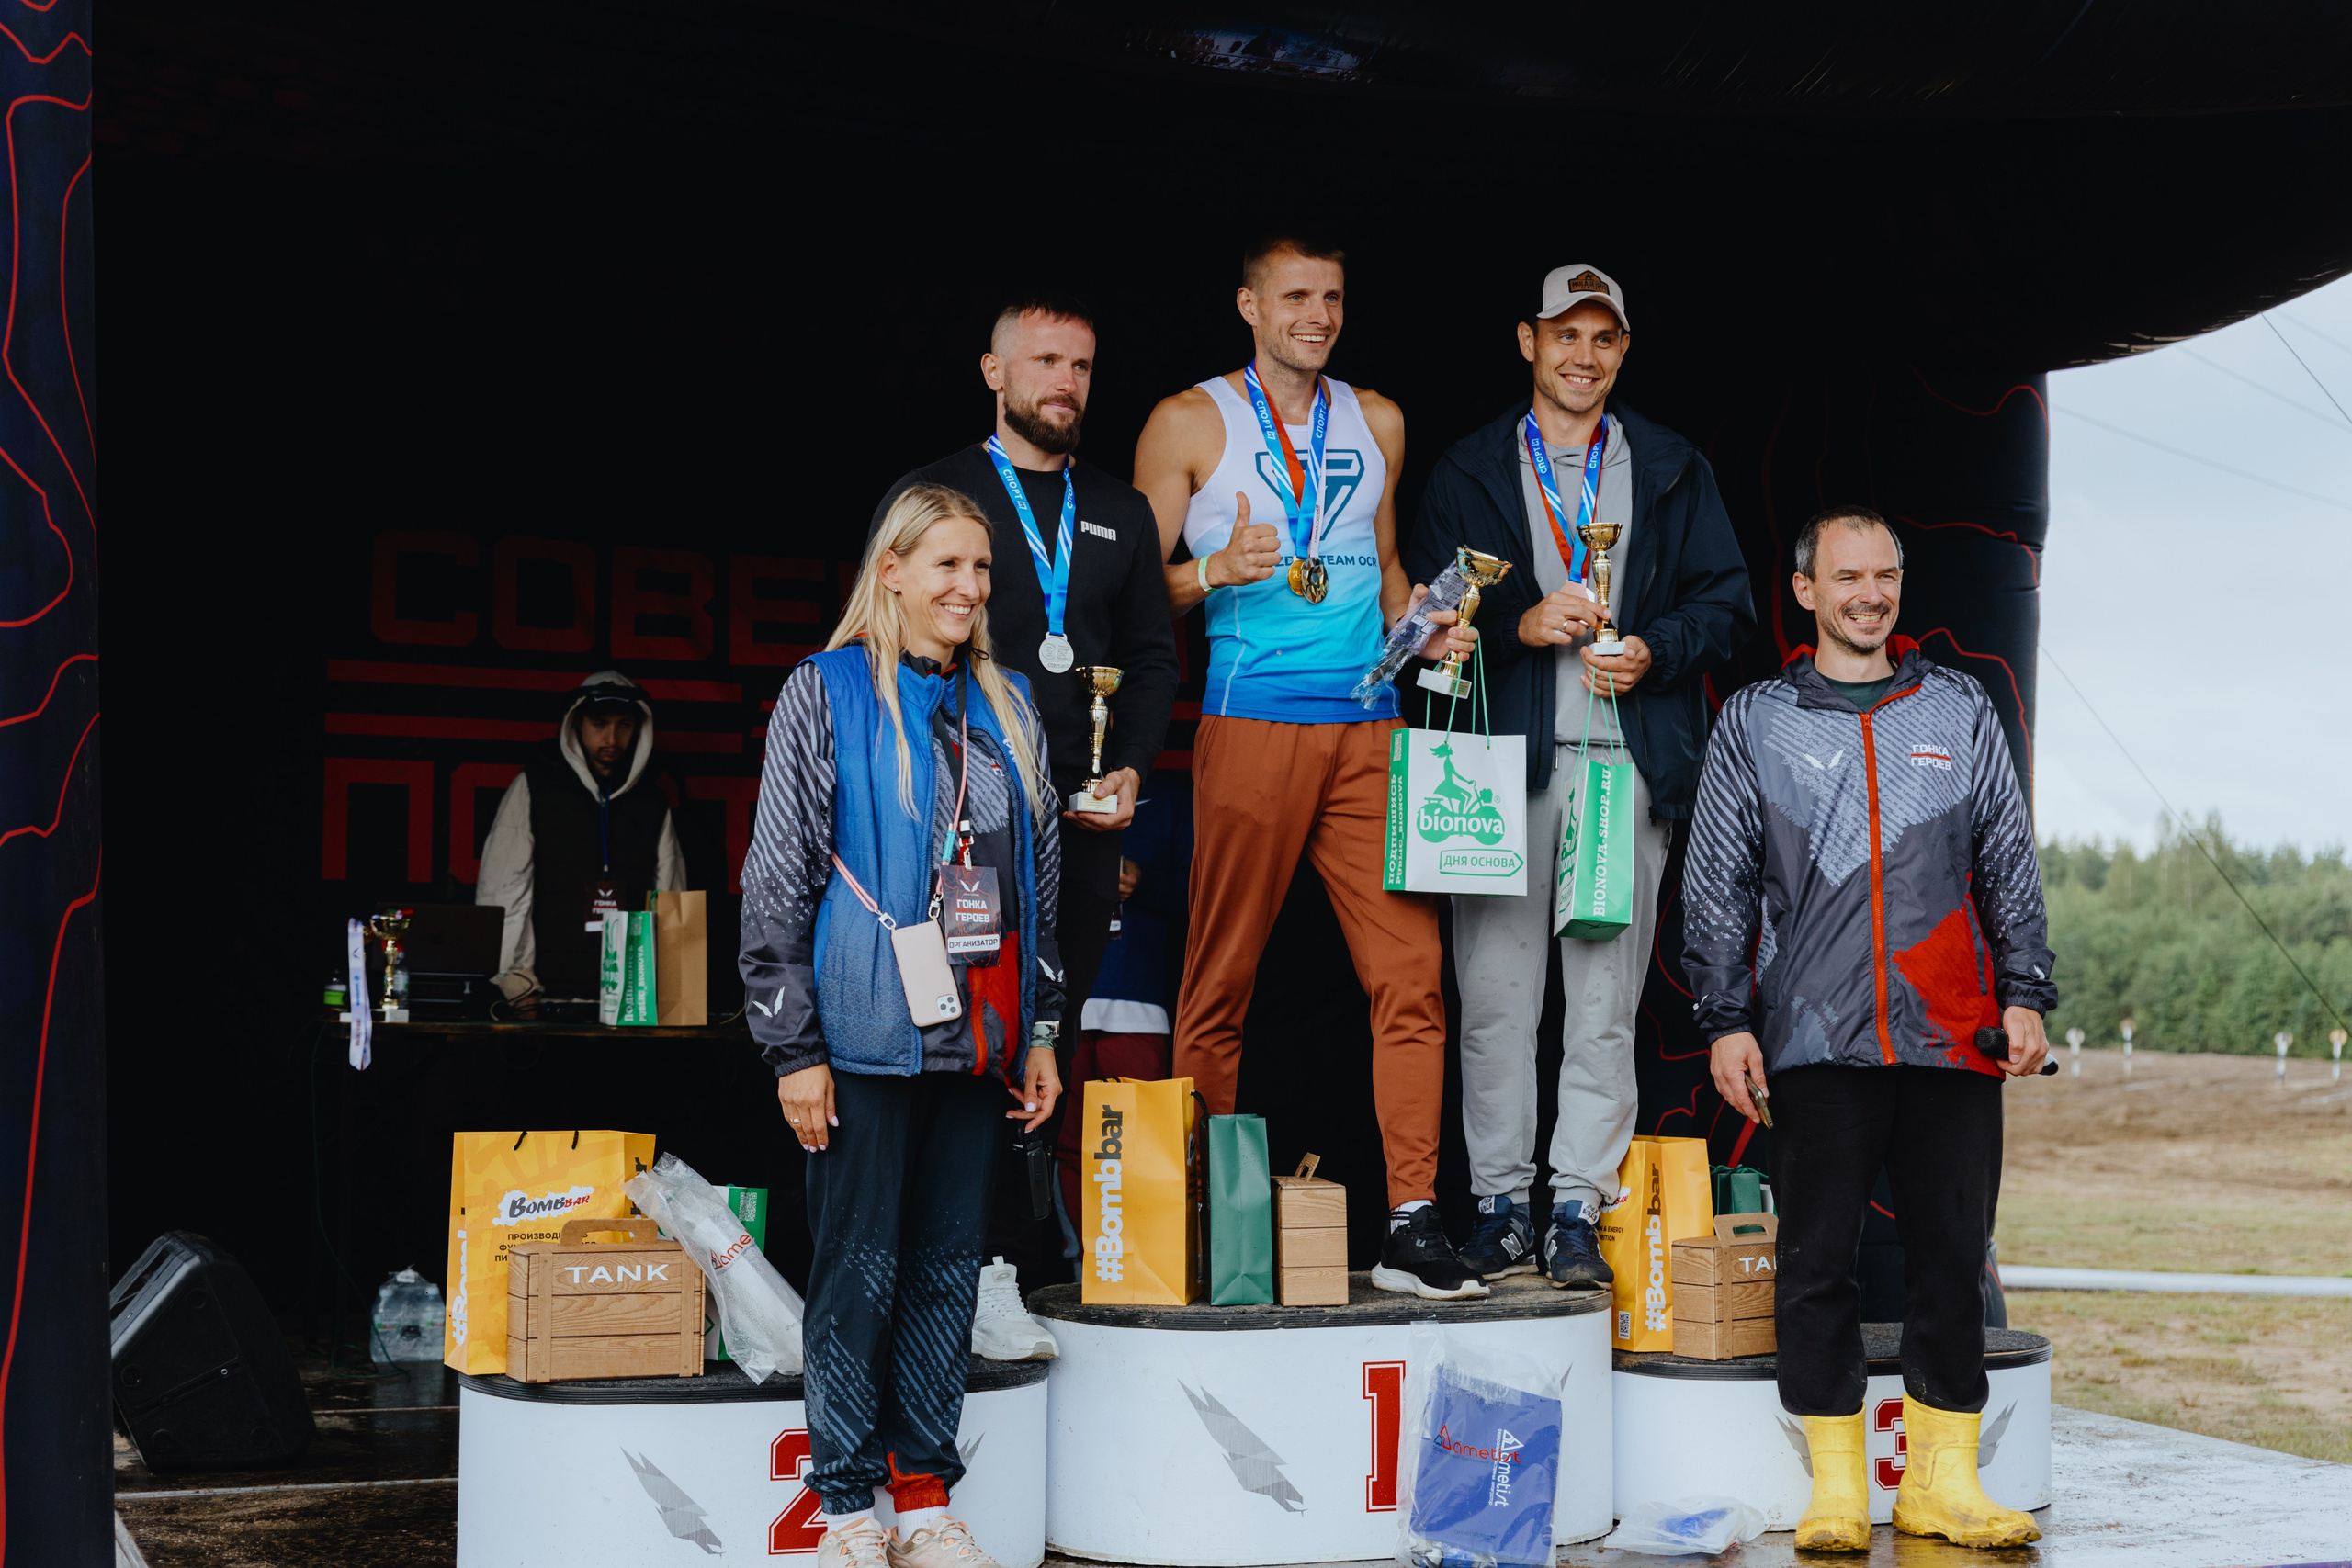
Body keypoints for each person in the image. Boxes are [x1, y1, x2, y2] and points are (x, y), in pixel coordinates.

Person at [1682, 505, 2053, 1551]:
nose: (1869, 595)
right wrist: (1724, 1019)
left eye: (1884, 576)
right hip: (1812, 1035)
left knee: (1951, 1258)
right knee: (1817, 1265)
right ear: (1805, 591)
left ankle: (1943, 1484)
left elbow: (2009, 862)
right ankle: (1836, 1489)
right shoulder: (1758, 719)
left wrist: (2024, 992)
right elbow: (1715, 880)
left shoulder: (1959, 706)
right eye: (1847, 577)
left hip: (1951, 1033)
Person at [1134, 234, 1486, 1300]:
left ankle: (1414, 1220)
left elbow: (1381, 569)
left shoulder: (1374, 417)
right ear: (1248, 304)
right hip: (1250, 724)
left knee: (1411, 978)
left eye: (1331, 296)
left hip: (1367, 726)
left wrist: (1422, 627)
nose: (1316, 314)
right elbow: (1129, 591)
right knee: (1220, 978)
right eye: (1294, 296)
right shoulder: (1189, 421)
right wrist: (1209, 570)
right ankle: (1198, 1219)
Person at [1404, 264, 1754, 1288]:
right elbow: (1420, 621)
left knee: (1604, 1005)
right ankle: (1502, 1203)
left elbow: (1725, 607)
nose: (1583, 355)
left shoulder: (1671, 465)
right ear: (1527, 341)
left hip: (1621, 772)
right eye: (1565, 335)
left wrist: (1655, 650)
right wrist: (1511, 625)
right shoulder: (1468, 467)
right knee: (1495, 1003)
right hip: (1499, 779)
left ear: (1623, 352)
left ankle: (1576, 1207)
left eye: (1603, 338)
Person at [740, 484, 1065, 1568]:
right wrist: (794, 1049)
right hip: (861, 1035)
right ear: (891, 572)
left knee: (944, 1268)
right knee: (857, 1268)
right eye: (946, 568)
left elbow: (1042, 883)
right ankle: (842, 1509)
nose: (969, 589)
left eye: (981, 570)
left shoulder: (1010, 704)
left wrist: (1043, 1032)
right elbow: (777, 879)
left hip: (977, 1040)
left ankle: (923, 1501)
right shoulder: (822, 692)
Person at [872, 292, 1181, 1023]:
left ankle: (1037, 1144)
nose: (1066, 380)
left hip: (1080, 818)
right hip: (957, 816)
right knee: (951, 1019)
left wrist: (1130, 764)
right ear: (994, 371)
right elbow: (877, 648)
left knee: (1053, 1030)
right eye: (1045, 361)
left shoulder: (1122, 508)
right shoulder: (931, 495)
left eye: (1080, 366)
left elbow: (1151, 659)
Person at [475, 671, 688, 1008]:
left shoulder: (652, 799)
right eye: (599, 723)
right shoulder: (536, 787)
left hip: (630, 999)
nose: (612, 739)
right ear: (575, 723)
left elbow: (670, 898)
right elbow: (504, 891)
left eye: (624, 725)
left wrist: (666, 987)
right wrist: (517, 984)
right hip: (546, 994)